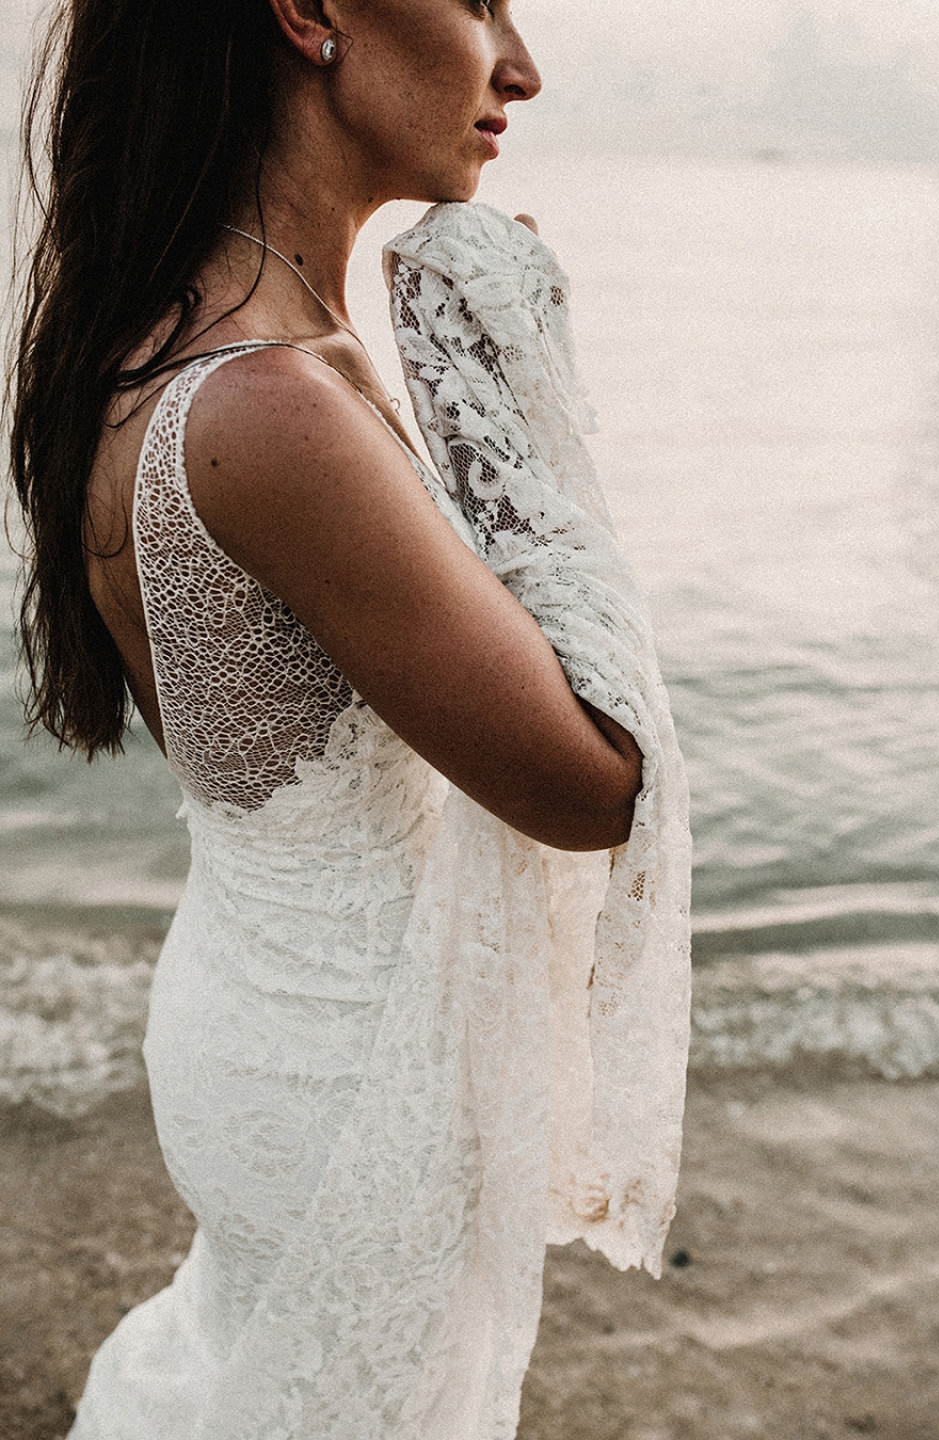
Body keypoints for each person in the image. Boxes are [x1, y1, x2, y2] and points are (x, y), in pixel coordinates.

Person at [10, 1, 692, 1436]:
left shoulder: (182, 343)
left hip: (264, 1014)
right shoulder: (276, 410)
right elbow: (596, 783)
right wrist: (520, 398)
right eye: (479, 2)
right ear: (313, 12)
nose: (522, 67)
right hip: (350, 1082)